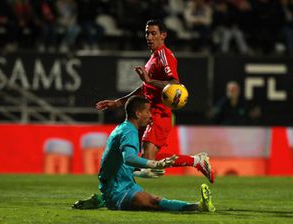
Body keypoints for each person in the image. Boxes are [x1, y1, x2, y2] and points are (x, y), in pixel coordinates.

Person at [72, 19, 214, 210]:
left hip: (158, 112)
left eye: (153, 33)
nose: (149, 37)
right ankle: (107, 196)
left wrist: (150, 80)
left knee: (145, 162)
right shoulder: (153, 57)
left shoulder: (164, 55)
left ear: (163, 35)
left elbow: (175, 84)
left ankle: (197, 161)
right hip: (148, 112)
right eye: (147, 33)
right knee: (134, 161)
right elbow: (144, 87)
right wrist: (119, 102)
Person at [76, 96, 215, 211]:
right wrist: (155, 164)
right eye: (148, 111)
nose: (150, 115)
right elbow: (129, 158)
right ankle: (199, 207)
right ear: (138, 113)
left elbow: (119, 163)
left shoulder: (123, 128)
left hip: (122, 185)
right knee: (153, 202)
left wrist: (141, 173)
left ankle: (101, 200)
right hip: (117, 191)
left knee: (152, 201)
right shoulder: (129, 132)